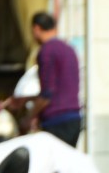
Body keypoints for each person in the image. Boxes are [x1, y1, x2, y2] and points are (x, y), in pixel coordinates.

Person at [30, 11, 82, 147]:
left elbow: (47, 93)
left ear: (36, 29)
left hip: (57, 121)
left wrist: (29, 116)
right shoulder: (69, 49)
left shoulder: (47, 51)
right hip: (74, 118)